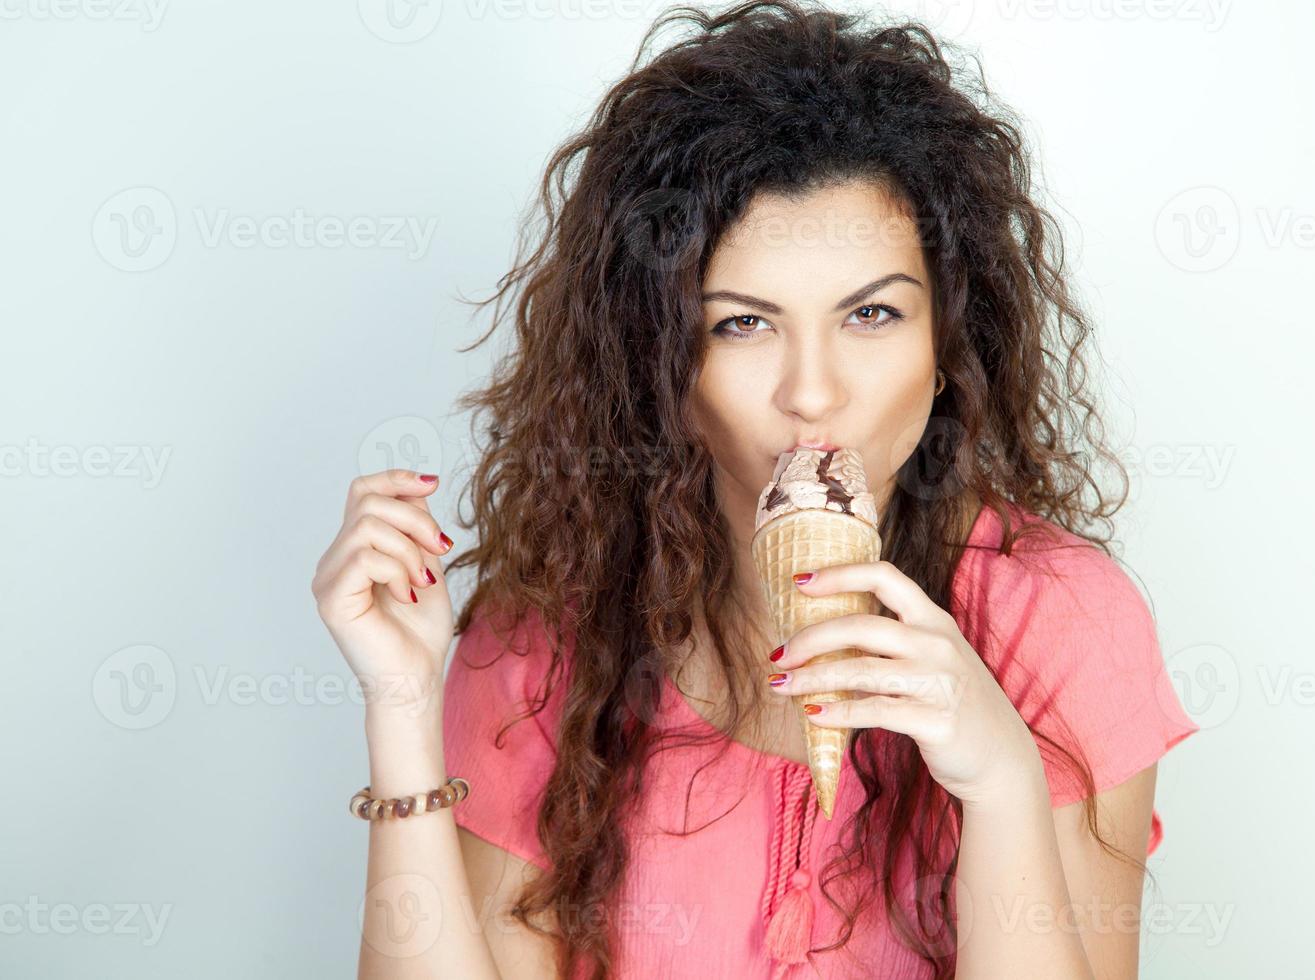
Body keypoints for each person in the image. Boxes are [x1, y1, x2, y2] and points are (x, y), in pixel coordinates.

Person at [312, 1, 1199, 977]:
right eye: (743, 323)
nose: (811, 391)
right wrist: (402, 706)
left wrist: (1000, 782)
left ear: (948, 343)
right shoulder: (545, 641)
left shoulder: (1063, 625)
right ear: (665, 365)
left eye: (870, 313)